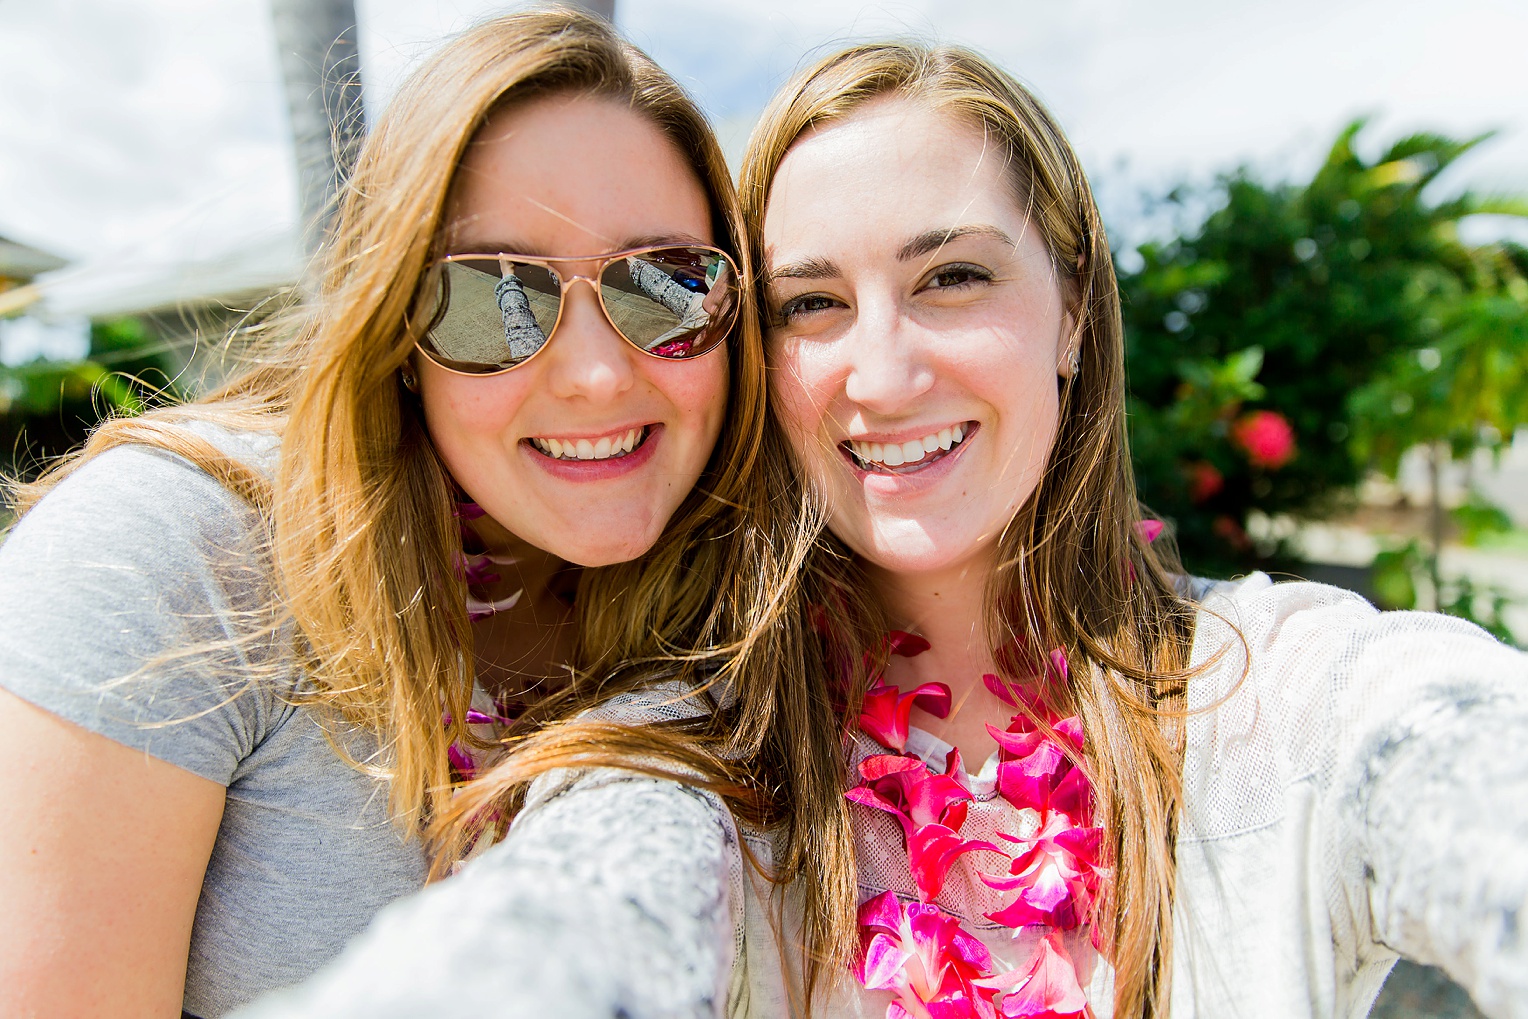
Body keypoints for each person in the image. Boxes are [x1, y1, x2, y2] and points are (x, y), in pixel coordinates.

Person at [224, 40, 1528, 1019]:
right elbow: (560, 930)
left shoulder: (1280, 697)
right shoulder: (689, 770)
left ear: (1074, 307)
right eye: (810, 304)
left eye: (951, 276)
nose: (885, 370)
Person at [0, 9, 764, 1017]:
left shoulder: (749, 584)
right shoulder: (175, 550)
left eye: (665, 286)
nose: (591, 373)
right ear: (399, 327)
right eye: (493, 298)